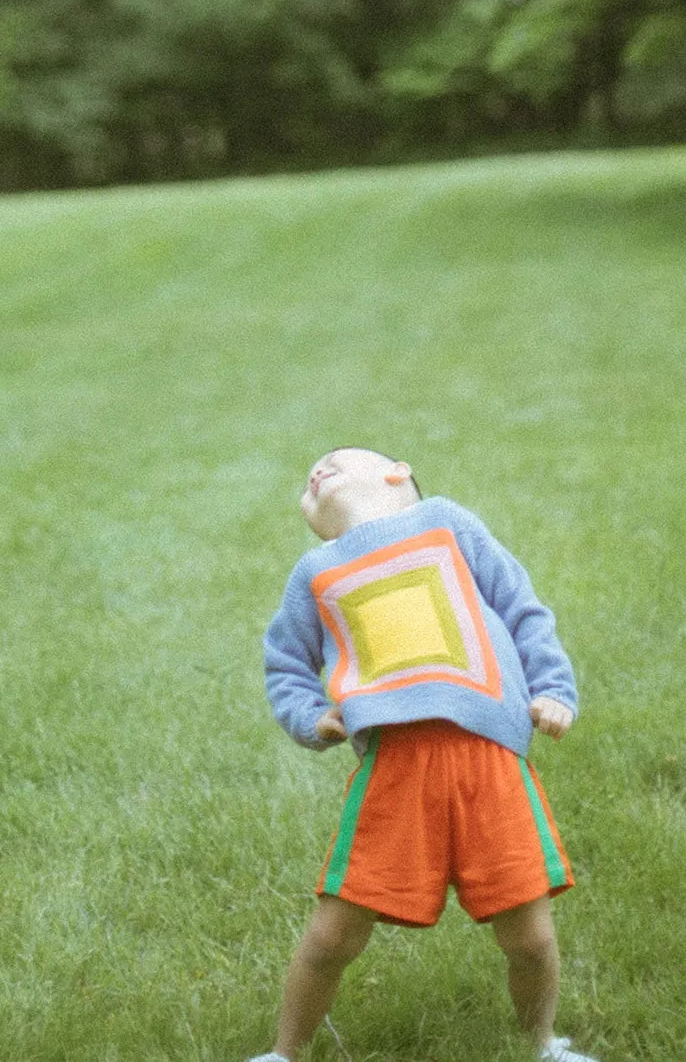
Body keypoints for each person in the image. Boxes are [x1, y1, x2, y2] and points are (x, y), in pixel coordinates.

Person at [250, 447, 596, 1062]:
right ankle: (283, 1053)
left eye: (335, 461)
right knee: (332, 937)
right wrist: (309, 716)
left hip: (490, 761)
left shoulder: (445, 523)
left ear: (397, 472)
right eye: (308, 483)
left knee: (530, 938)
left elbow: (523, 609)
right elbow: (285, 663)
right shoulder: (316, 571)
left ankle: (544, 1046)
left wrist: (552, 689)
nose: (316, 473)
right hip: (394, 772)